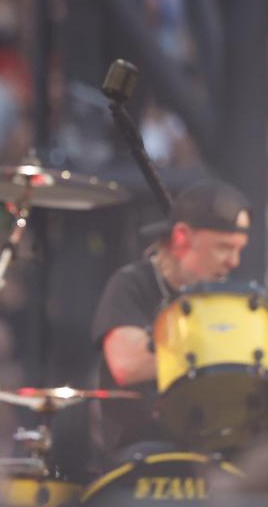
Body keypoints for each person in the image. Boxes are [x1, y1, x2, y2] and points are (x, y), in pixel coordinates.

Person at [90, 180, 251, 455]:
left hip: (215, 447)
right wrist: (221, 346)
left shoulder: (228, 296)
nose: (233, 262)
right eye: (224, 247)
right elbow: (127, 364)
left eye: (239, 250)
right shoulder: (132, 284)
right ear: (181, 237)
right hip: (141, 455)